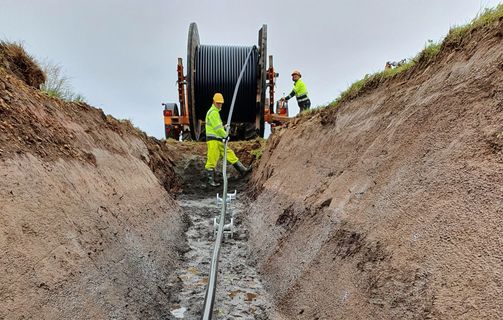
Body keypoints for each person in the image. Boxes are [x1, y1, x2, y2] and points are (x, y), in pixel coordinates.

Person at [205, 93, 251, 187]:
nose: (219, 105)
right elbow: (217, 128)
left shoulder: (215, 112)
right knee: (212, 159)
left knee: (229, 153)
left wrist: (224, 127)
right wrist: (225, 135)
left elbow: (217, 127)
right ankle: (210, 181)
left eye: (221, 103)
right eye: (218, 103)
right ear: (214, 102)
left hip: (217, 139)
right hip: (213, 140)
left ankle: (242, 170)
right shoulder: (213, 112)